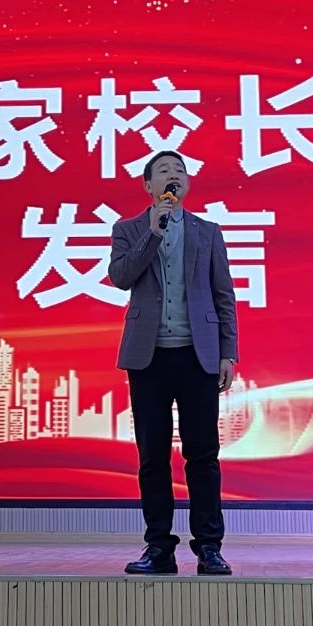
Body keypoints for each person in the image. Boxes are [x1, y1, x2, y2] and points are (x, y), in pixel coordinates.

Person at [108, 149, 237, 576]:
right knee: (152, 456)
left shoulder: (208, 232)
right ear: (149, 185)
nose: (173, 175)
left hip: (197, 355)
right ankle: (159, 548)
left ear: (187, 184)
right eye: (163, 170)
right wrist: (152, 233)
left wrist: (227, 352)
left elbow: (223, 294)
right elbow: (121, 277)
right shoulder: (128, 229)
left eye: (179, 170)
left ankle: (209, 547)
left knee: (203, 454)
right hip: (147, 358)